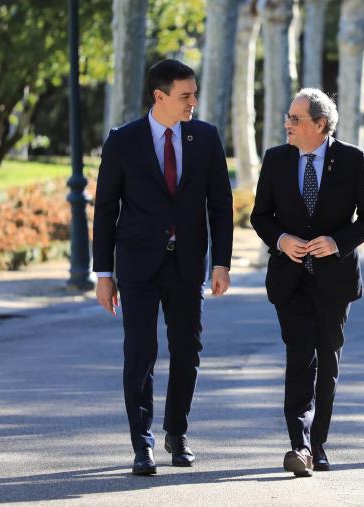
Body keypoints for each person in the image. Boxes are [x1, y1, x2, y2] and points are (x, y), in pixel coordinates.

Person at [93, 59, 233, 476]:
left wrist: (221, 262)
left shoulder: (205, 138)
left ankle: (177, 433)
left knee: (187, 351)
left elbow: (221, 206)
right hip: (137, 265)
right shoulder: (123, 141)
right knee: (140, 353)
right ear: (160, 96)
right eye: (185, 95)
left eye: (195, 94)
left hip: (188, 264)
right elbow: (105, 210)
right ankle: (143, 443)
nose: (193, 102)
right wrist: (104, 273)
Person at [250, 88, 364, 477]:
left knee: (327, 362)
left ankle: (319, 444)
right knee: (299, 359)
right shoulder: (276, 160)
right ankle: (300, 446)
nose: (286, 124)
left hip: (334, 280)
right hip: (290, 280)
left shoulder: (352, 159)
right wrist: (281, 239)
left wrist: (336, 242)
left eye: (295, 119)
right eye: (287, 118)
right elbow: (261, 217)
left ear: (320, 124)